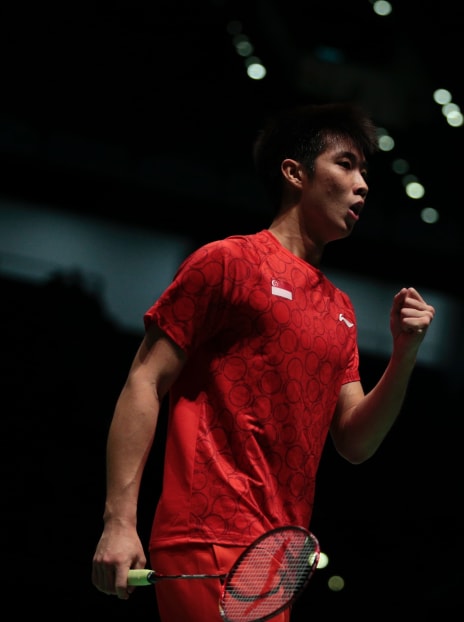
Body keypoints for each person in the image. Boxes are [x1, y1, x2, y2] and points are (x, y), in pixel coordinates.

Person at [90, 102, 436, 621]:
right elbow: (144, 380)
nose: (362, 183)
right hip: (207, 533)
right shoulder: (228, 263)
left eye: (365, 170)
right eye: (345, 164)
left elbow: (356, 441)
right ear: (294, 173)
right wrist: (119, 520)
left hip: (277, 555)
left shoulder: (340, 310)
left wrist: (405, 355)